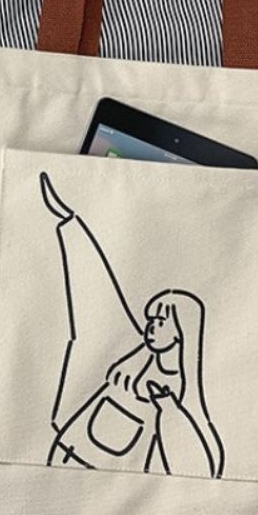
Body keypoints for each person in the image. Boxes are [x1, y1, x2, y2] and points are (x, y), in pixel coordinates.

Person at [40, 174, 225, 478]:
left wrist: (168, 408)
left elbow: (200, 463)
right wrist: (70, 222)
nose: (151, 327)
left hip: (115, 475)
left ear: (181, 332)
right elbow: (94, 291)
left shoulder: (184, 389)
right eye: (151, 320)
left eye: (161, 322)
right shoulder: (132, 354)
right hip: (69, 452)